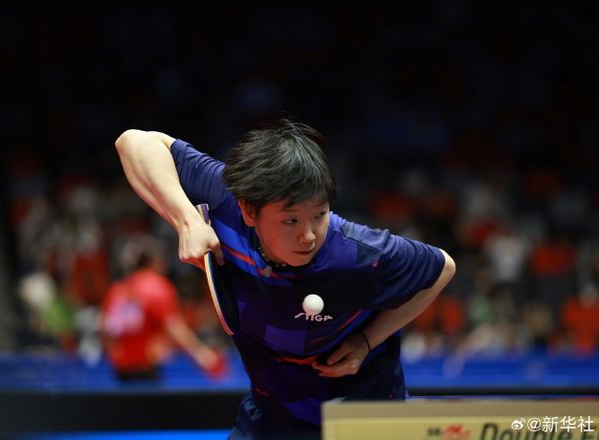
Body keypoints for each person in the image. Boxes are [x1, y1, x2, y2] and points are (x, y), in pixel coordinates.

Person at [115, 118, 456, 439]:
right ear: (249, 211)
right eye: (290, 221)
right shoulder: (228, 204)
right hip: (272, 413)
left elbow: (442, 269)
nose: (308, 235)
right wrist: (187, 220)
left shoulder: (359, 252)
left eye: (319, 215)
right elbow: (134, 143)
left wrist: (367, 340)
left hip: (364, 414)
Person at [100, 234, 226, 381]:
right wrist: (201, 354)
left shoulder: (116, 291)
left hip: (120, 372)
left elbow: (105, 330)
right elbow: (174, 328)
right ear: (153, 261)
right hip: (146, 370)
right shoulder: (156, 286)